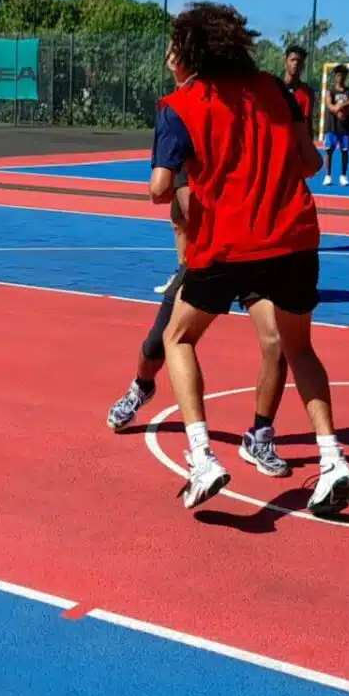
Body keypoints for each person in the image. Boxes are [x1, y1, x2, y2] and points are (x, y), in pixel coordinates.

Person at [150, 1, 349, 514]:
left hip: (227, 241)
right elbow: (309, 163)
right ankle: (333, 460)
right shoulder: (273, 90)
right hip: (293, 237)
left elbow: (159, 188)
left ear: (189, 51)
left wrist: (187, 180)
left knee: (178, 337)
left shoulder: (180, 105)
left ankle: (202, 456)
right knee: (300, 348)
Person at [106, 189, 294, 481]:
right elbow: (172, 196)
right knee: (160, 341)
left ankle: (260, 435)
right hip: (212, 254)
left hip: (254, 252)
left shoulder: (263, 148)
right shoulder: (194, 146)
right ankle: (141, 387)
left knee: (277, 341)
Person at [321, 63, 349, 186]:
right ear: (335, 76)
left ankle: (343, 175)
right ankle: (328, 175)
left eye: (342, 75)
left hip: (345, 127)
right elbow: (329, 104)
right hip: (332, 125)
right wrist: (336, 109)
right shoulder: (330, 91)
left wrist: (341, 106)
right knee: (329, 151)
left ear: (346, 76)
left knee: (345, 151)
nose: (340, 78)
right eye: (338, 75)